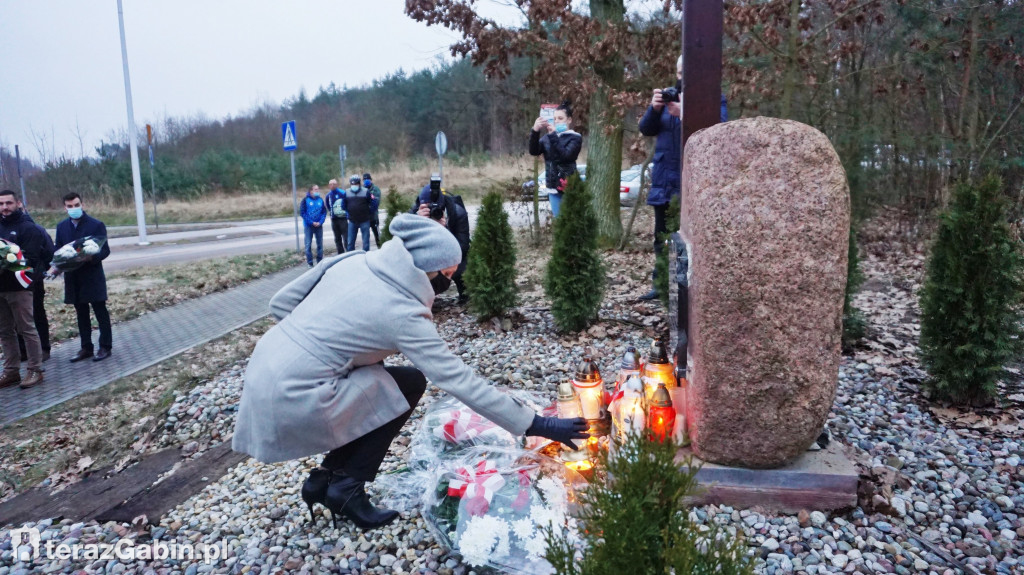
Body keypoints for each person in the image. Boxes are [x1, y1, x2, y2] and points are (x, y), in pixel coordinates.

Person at [232, 214, 587, 530]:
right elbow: (455, 378)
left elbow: (279, 304)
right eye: (447, 274)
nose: (449, 281)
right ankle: (345, 486)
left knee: (393, 382)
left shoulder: (355, 260)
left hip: (264, 368)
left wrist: (329, 347)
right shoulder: (402, 310)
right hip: (295, 395)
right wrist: (536, 423)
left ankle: (326, 479)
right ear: (427, 269)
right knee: (401, 389)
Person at [53, 192, 112, 362]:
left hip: (92, 275)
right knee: (81, 313)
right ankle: (86, 347)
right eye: (69, 206)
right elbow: (58, 248)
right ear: (64, 207)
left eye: (76, 205)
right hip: (73, 277)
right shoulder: (62, 226)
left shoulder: (96, 225)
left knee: (100, 311)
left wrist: (91, 257)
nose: (73, 209)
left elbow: (105, 249)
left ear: (82, 204)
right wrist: (58, 265)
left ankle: (105, 346)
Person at [0, 190, 51, 389]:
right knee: (4, 331)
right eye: (1, 203)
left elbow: (30, 259)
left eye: (9, 203)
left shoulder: (28, 228)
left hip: (20, 288)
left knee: (27, 328)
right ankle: (11, 371)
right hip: (0, 289)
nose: (5, 207)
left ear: (18, 203)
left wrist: (5, 265)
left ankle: (35, 369)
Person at [410, 176, 471, 303]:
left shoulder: (457, 212)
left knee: (463, 267)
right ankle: (418, 298)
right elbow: (405, 246)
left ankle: (465, 294)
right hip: (424, 255)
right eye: (428, 208)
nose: (433, 211)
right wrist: (418, 223)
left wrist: (444, 230)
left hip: (450, 255)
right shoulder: (414, 214)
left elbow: (463, 246)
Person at [528, 101, 582, 218]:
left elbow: (566, 156)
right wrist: (535, 131)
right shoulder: (547, 138)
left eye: (560, 118)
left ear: (569, 120)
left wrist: (553, 136)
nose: (556, 121)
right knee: (559, 221)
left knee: (570, 220)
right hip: (553, 187)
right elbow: (533, 151)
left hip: (569, 186)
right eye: (554, 118)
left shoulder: (575, 138)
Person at [16, 202, 54, 362]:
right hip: (11, 281)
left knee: (37, 313)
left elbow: (49, 251)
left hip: (33, 279)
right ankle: (22, 350)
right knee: (15, 317)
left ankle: (44, 348)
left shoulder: (35, 229)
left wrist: (40, 270)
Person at [345, 175, 377, 252]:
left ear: (359, 183)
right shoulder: (347, 192)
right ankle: (351, 258)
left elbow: (374, 202)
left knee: (366, 242)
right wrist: (347, 212)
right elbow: (344, 204)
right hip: (352, 221)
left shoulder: (366, 191)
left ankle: (365, 256)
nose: (354, 186)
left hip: (364, 220)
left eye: (355, 184)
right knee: (350, 242)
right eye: (352, 184)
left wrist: (370, 212)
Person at [300, 184, 326, 267]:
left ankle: (319, 262)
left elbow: (324, 212)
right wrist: (311, 222)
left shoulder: (320, 200)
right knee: (308, 245)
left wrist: (320, 222)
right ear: (311, 191)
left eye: (318, 189)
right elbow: (302, 213)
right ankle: (310, 262)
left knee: (320, 245)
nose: (317, 191)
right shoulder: (305, 200)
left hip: (319, 226)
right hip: (308, 226)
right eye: (315, 189)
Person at [326, 179, 348, 255]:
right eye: (331, 184)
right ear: (329, 185)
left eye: (334, 184)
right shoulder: (328, 195)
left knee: (346, 237)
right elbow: (328, 206)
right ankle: (340, 253)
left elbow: (347, 203)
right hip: (334, 219)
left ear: (337, 184)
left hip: (343, 219)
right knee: (337, 237)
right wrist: (333, 213)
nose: (332, 185)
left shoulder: (342, 193)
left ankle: (348, 252)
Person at [363, 173, 382, 248]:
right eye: (364, 180)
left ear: (371, 180)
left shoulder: (376, 189)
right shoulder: (362, 189)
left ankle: (380, 248)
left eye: (367, 179)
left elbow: (376, 202)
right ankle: (366, 251)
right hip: (365, 217)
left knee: (377, 234)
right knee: (365, 236)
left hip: (373, 216)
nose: (366, 181)